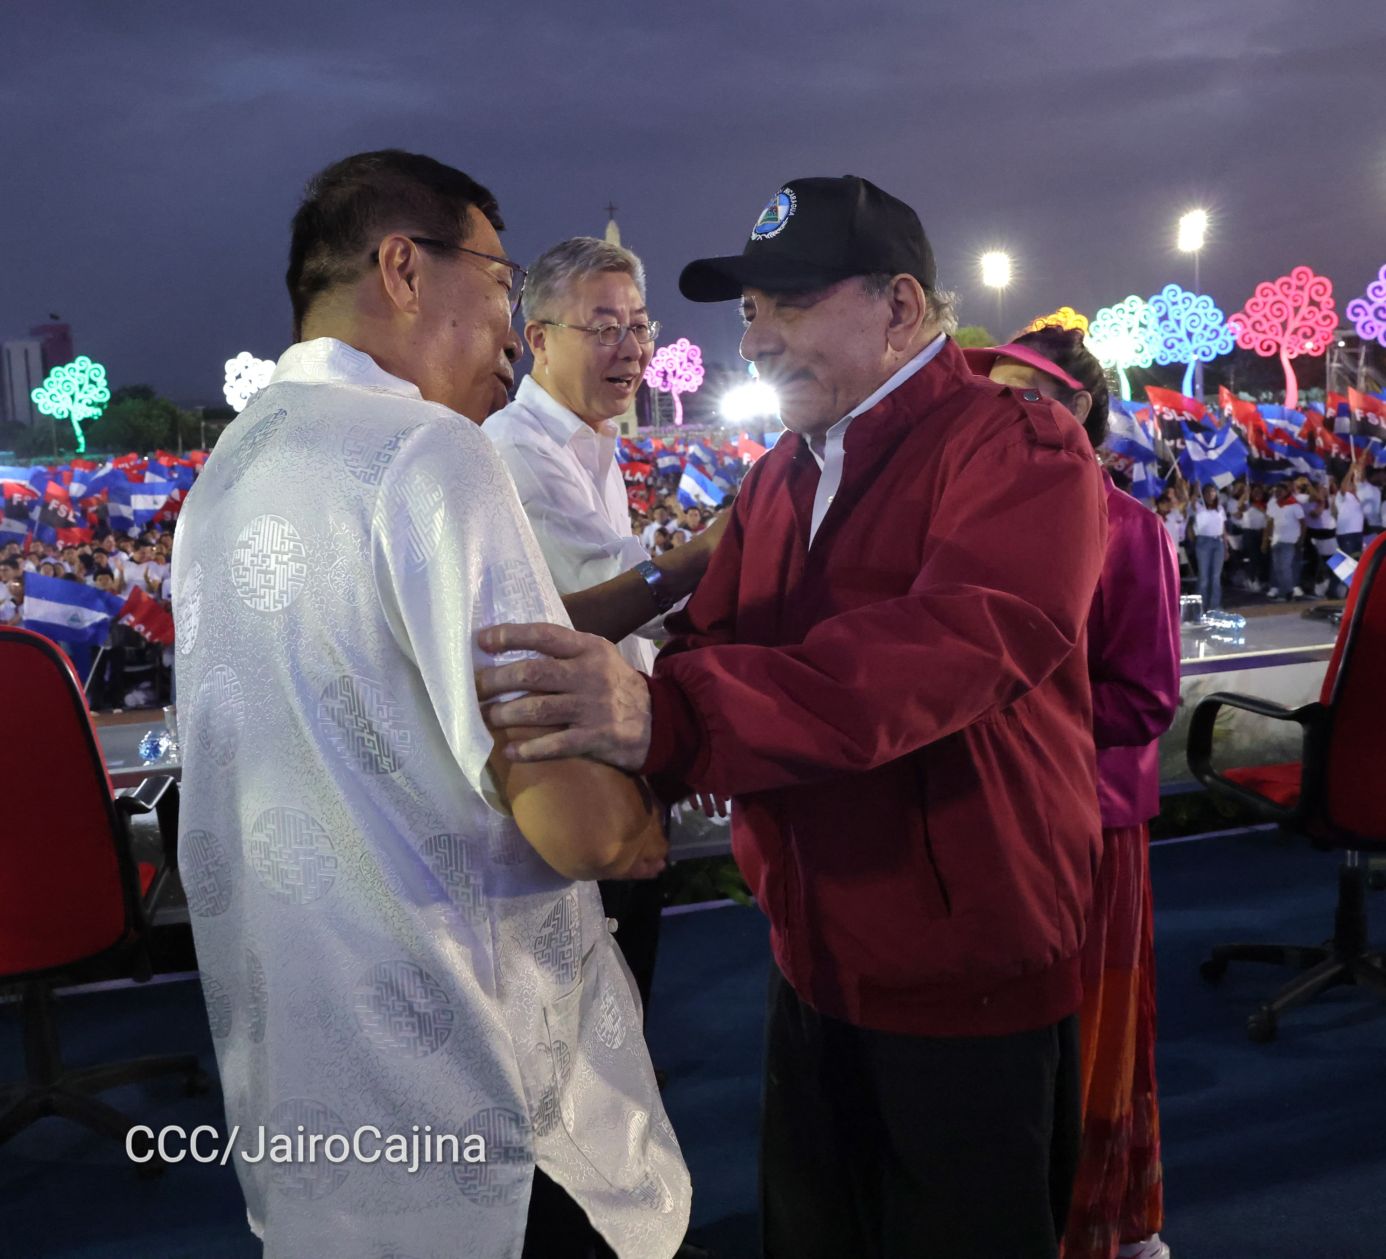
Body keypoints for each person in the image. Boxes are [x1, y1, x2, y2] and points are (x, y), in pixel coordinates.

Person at [477, 174, 1108, 1258]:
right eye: (750, 310)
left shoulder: (1019, 449)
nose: (757, 338)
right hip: (812, 957)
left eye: (791, 302)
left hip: (967, 971)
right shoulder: (778, 476)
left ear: (902, 307)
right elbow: (715, 646)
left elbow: (931, 657)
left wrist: (663, 720)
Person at [173, 149, 689, 1259]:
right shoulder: (430, 452)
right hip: (479, 1107)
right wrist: (644, 817)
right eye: (503, 285)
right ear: (404, 268)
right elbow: (577, 820)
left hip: (310, 1112)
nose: (511, 330)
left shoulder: (221, 476)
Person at [966, 326, 1180, 1259]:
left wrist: (1024, 726)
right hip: (1004, 817)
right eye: (994, 391)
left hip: (1089, 819)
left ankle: (1096, 1224)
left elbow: (1148, 698)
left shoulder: (1130, 530)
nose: (999, 409)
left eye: (1020, 391)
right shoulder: (981, 517)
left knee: (1093, 1034)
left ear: (1078, 410)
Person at [485, 235, 724, 1013]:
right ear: (539, 339)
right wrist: (702, 555)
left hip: (612, 740)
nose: (631, 348)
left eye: (641, 326)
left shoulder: (593, 443)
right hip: (563, 769)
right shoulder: (514, 453)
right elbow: (585, 607)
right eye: (606, 328)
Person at [1188, 483, 1229, 613]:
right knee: (1204, 576)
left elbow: (1223, 528)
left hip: (1218, 542)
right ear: (1203, 494)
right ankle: (1199, 607)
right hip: (1203, 542)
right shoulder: (1199, 507)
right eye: (1207, 492)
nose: (1211, 494)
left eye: (1213, 492)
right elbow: (1192, 503)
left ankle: (1214, 605)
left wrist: (1226, 547)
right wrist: (1195, 489)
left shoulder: (1220, 508)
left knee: (1216, 576)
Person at [1264, 482, 1305, 599]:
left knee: (1285, 567)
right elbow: (1270, 522)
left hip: (1290, 541)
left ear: (1286, 492)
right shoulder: (1273, 505)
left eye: (1280, 491)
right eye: (1276, 491)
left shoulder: (1295, 506)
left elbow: (1303, 524)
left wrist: (1301, 539)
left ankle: (1287, 592)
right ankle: (1284, 591)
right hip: (1276, 540)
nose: (1277, 493)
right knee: (1277, 568)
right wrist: (1267, 539)